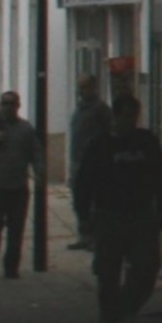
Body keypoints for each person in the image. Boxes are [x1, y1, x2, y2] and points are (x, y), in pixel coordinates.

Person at [77, 93, 162, 323]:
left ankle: (124, 308)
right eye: (126, 116)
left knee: (147, 266)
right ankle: (110, 318)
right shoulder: (100, 145)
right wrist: (84, 215)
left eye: (134, 116)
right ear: (115, 116)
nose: (130, 121)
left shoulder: (146, 142)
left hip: (141, 212)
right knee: (108, 271)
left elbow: (160, 176)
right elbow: (84, 181)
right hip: (109, 214)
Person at [0, 89, 39, 276]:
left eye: (12, 104)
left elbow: (35, 151)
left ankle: (11, 267)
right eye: (5, 103)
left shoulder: (25, 128)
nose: (8, 107)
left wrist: (39, 171)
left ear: (18, 106)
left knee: (16, 230)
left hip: (18, 186)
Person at [67, 82, 110, 250]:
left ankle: (95, 238)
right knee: (79, 200)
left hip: (93, 162)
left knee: (92, 201)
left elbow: (107, 131)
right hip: (78, 161)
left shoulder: (100, 109)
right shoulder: (80, 108)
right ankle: (84, 236)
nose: (82, 90)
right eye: (81, 87)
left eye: (86, 86)